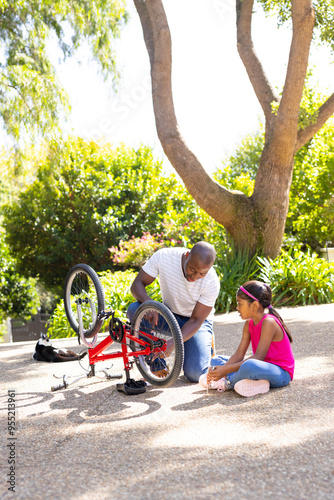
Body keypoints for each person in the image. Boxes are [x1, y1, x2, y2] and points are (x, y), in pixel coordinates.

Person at [127, 241, 220, 382]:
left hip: (195, 323)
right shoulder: (164, 257)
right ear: (187, 255)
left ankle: (207, 341)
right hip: (170, 316)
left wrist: (173, 342)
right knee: (135, 310)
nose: (194, 277)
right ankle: (156, 363)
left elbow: (196, 320)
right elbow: (137, 285)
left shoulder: (212, 281)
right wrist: (148, 303)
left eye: (202, 273)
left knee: (195, 374)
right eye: (192, 270)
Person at [199, 280, 294, 397]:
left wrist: (225, 371)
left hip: (281, 373)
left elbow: (258, 357)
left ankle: (228, 383)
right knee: (216, 360)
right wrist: (222, 370)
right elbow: (239, 354)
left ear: (254, 305)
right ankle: (257, 384)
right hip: (260, 367)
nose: (237, 307)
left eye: (240, 303)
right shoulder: (249, 324)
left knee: (249, 366)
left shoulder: (269, 322)